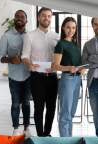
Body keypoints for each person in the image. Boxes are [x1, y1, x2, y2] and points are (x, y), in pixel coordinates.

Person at [21, 7, 59, 137]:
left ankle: (47, 134)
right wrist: (29, 64)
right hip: (37, 77)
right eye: (43, 15)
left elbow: (61, 57)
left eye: (49, 16)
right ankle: (40, 135)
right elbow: (24, 56)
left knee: (51, 107)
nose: (46, 18)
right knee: (39, 108)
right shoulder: (29, 35)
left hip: (53, 77)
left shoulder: (56, 37)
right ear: (38, 17)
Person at [0, 10, 31, 137]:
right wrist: (11, 59)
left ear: (26, 21)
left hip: (28, 75)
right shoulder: (6, 36)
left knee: (27, 103)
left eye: (22, 17)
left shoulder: (30, 36)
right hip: (14, 76)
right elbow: (1, 57)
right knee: (16, 103)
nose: (19, 18)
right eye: (17, 16)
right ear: (14, 19)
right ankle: (16, 129)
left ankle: (27, 128)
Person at [52, 17, 86, 137]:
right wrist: (68, 68)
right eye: (68, 27)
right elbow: (55, 66)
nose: (71, 30)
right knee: (65, 113)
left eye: (73, 27)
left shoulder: (76, 44)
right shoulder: (60, 44)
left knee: (71, 113)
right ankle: (65, 143)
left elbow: (78, 63)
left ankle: (69, 139)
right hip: (67, 80)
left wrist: (82, 68)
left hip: (77, 80)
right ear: (63, 28)